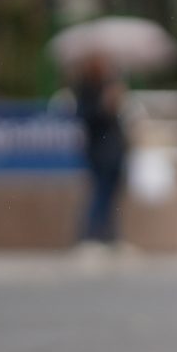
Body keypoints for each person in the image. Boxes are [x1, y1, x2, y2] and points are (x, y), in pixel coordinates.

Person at [70, 51, 128, 247]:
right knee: (99, 194)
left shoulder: (110, 85)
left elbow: (117, 123)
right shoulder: (87, 90)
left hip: (114, 151)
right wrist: (103, 105)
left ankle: (109, 236)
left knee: (111, 196)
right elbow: (85, 117)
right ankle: (89, 236)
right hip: (99, 152)